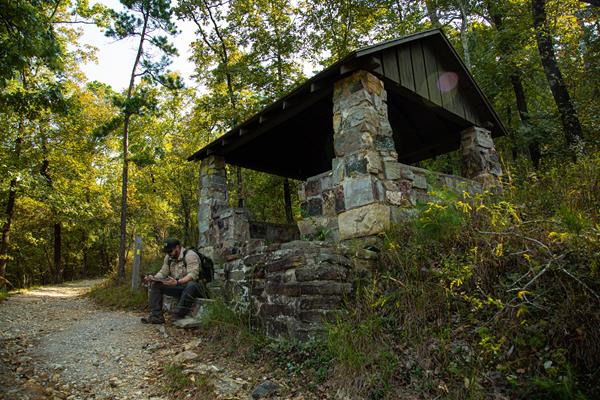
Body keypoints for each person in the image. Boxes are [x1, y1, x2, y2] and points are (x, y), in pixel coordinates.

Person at [141, 238, 209, 324]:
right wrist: (153, 278)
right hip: (179, 286)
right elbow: (163, 272)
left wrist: (178, 282)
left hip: (197, 287)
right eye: (167, 252)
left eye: (170, 251)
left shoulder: (190, 255)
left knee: (191, 285)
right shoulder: (168, 257)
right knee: (156, 285)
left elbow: (193, 275)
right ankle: (156, 316)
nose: (169, 254)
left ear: (177, 247)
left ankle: (177, 315)